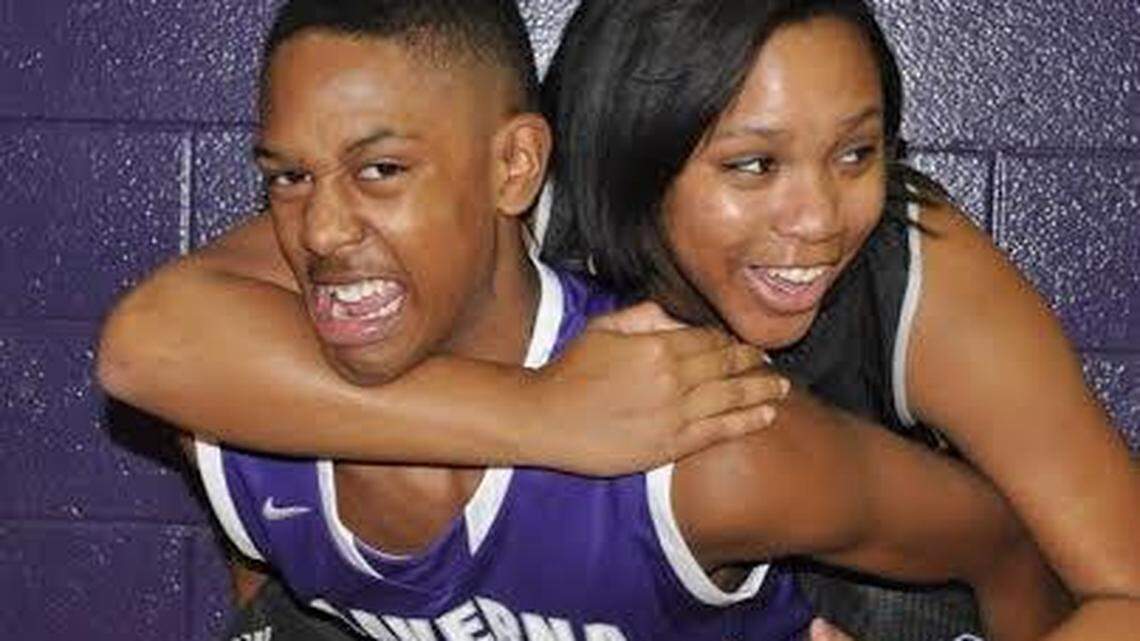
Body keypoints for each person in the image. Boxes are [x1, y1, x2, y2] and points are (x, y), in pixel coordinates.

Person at [96, 0, 1138, 639]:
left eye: (858, 152)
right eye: (752, 164)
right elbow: (162, 340)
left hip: (857, 583)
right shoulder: (504, 210)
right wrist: (549, 414)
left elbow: (1116, 589)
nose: (818, 214)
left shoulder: (919, 271)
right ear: (634, 155)